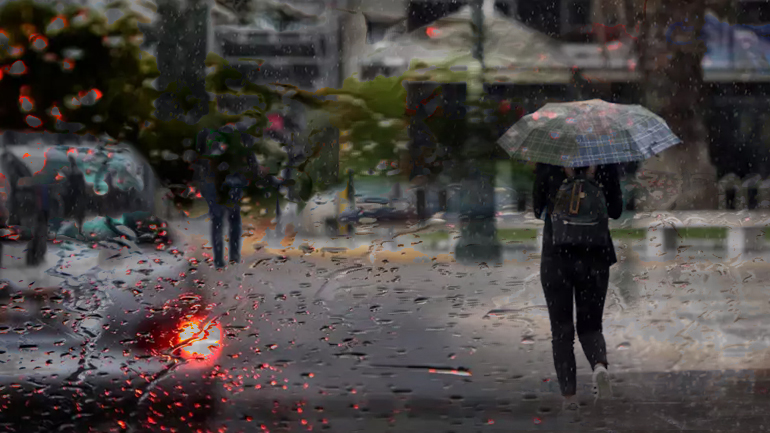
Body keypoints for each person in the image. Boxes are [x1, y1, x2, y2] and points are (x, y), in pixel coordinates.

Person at [532, 163, 623, 422]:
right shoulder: (605, 161)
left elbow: (538, 209)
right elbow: (616, 211)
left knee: (561, 331)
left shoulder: (548, 163)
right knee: (591, 325)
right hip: (596, 255)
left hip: (556, 255)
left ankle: (569, 400)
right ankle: (599, 367)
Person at [194, 124, 253, 269]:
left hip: (221, 191)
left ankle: (223, 258)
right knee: (229, 222)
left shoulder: (217, 151)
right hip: (226, 190)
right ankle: (229, 256)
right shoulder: (235, 153)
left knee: (221, 223)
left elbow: (205, 171)